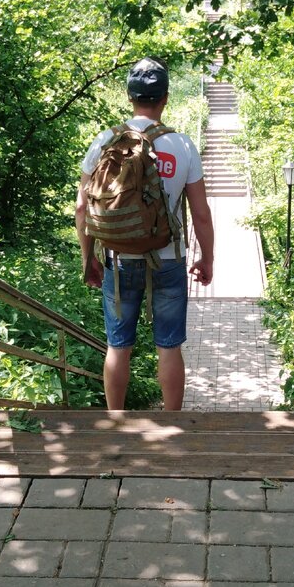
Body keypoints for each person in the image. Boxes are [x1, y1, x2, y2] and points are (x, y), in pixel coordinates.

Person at [76, 57, 214, 410]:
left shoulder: (105, 141)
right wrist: (206, 258)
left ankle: (116, 425)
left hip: (117, 258)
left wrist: (87, 257)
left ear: (129, 96)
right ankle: (173, 425)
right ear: (165, 98)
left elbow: (82, 208)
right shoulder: (182, 145)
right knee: (168, 345)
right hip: (168, 259)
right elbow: (200, 213)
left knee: (118, 345)